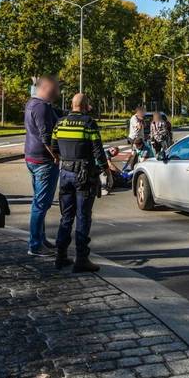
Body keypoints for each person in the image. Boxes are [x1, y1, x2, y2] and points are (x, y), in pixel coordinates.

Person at [50, 93, 116, 273]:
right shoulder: (88, 123)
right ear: (86, 105)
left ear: (72, 105)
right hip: (84, 175)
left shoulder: (60, 123)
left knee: (66, 217)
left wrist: (62, 160)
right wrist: (107, 171)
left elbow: (53, 147)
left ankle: (60, 256)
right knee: (83, 217)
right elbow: (98, 151)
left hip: (65, 174)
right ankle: (81, 259)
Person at [24, 75, 61, 257]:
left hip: (33, 158)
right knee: (41, 204)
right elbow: (46, 135)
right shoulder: (41, 107)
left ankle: (40, 238)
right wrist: (55, 155)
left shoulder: (32, 103)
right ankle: (35, 245)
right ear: (46, 87)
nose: (58, 92)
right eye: (56, 89)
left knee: (39, 203)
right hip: (44, 160)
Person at [125, 105, 151, 172]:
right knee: (134, 154)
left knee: (139, 152)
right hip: (134, 139)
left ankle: (137, 166)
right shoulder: (134, 118)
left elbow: (144, 126)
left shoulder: (139, 118)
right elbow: (139, 127)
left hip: (140, 138)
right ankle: (131, 168)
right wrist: (140, 120)